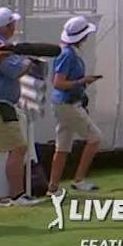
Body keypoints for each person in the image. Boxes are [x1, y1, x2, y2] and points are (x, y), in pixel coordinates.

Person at [0, 7, 39, 206]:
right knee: (19, 148)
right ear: (7, 26)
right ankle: (17, 195)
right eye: (13, 24)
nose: (15, 27)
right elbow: (14, 71)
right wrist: (28, 62)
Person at [47, 16, 102, 194]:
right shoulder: (68, 54)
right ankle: (78, 179)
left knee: (62, 146)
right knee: (94, 137)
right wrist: (82, 81)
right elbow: (59, 82)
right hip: (67, 103)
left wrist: (82, 82)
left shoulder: (66, 52)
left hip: (62, 103)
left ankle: (53, 187)